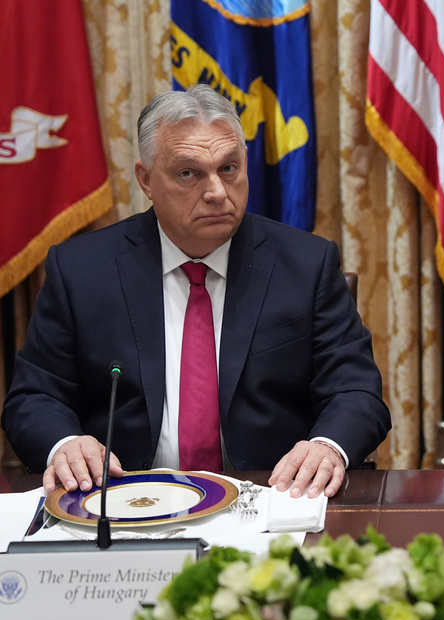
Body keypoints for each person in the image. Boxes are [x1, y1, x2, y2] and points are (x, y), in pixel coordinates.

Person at [2, 84, 391, 497]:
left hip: (271, 500)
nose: (217, 193)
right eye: (189, 173)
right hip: (123, 503)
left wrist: (327, 446)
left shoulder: (307, 265)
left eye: (229, 168)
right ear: (146, 179)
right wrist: (66, 445)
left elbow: (356, 390)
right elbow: (34, 397)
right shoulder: (82, 270)